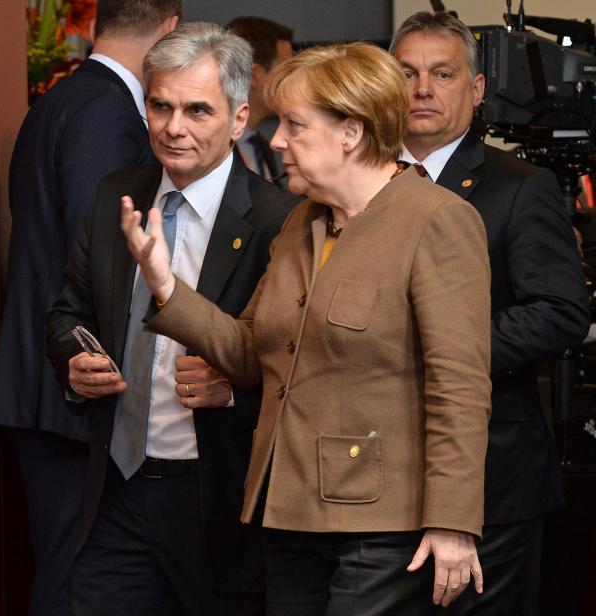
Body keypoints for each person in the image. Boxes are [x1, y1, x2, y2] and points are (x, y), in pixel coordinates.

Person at [121, 42, 493, 615]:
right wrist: (164, 284)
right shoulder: (302, 220)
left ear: (351, 131)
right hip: (286, 510)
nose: (275, 141)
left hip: (382, 524)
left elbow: (459, 387)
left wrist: (453, 522)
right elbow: (249, 354)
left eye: (293, 124)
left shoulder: (437, 221)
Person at [46, 22, 297, 616]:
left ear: (239, 119)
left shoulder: (277, 220)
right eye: (160, 106)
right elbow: (66, 312)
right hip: (116, 492)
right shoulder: (117, 196)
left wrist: (235, 390)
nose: (173, 127)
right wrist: (73, 360)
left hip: (217, 501)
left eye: (197, 110)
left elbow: (305, 364)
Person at [389, 11, 590, 615]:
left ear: (476, 91)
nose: (423, 89)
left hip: (490, 481)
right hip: (375, 478)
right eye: (408, 73)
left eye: (443, 74)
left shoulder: (517, 186)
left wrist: (439, 348)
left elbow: (559, 312)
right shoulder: (358, 182)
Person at [0, 2, 180, 614]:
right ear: (167, 33)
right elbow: (103, 257)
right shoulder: (106, 111)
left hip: (46, 381)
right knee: (78, 581)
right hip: (70, 383)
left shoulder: (62, 99)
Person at [228, 16, 293, 186]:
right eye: (286, 71)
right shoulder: (214, 149)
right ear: (254, 76)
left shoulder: (263, 145)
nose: (292, 80)